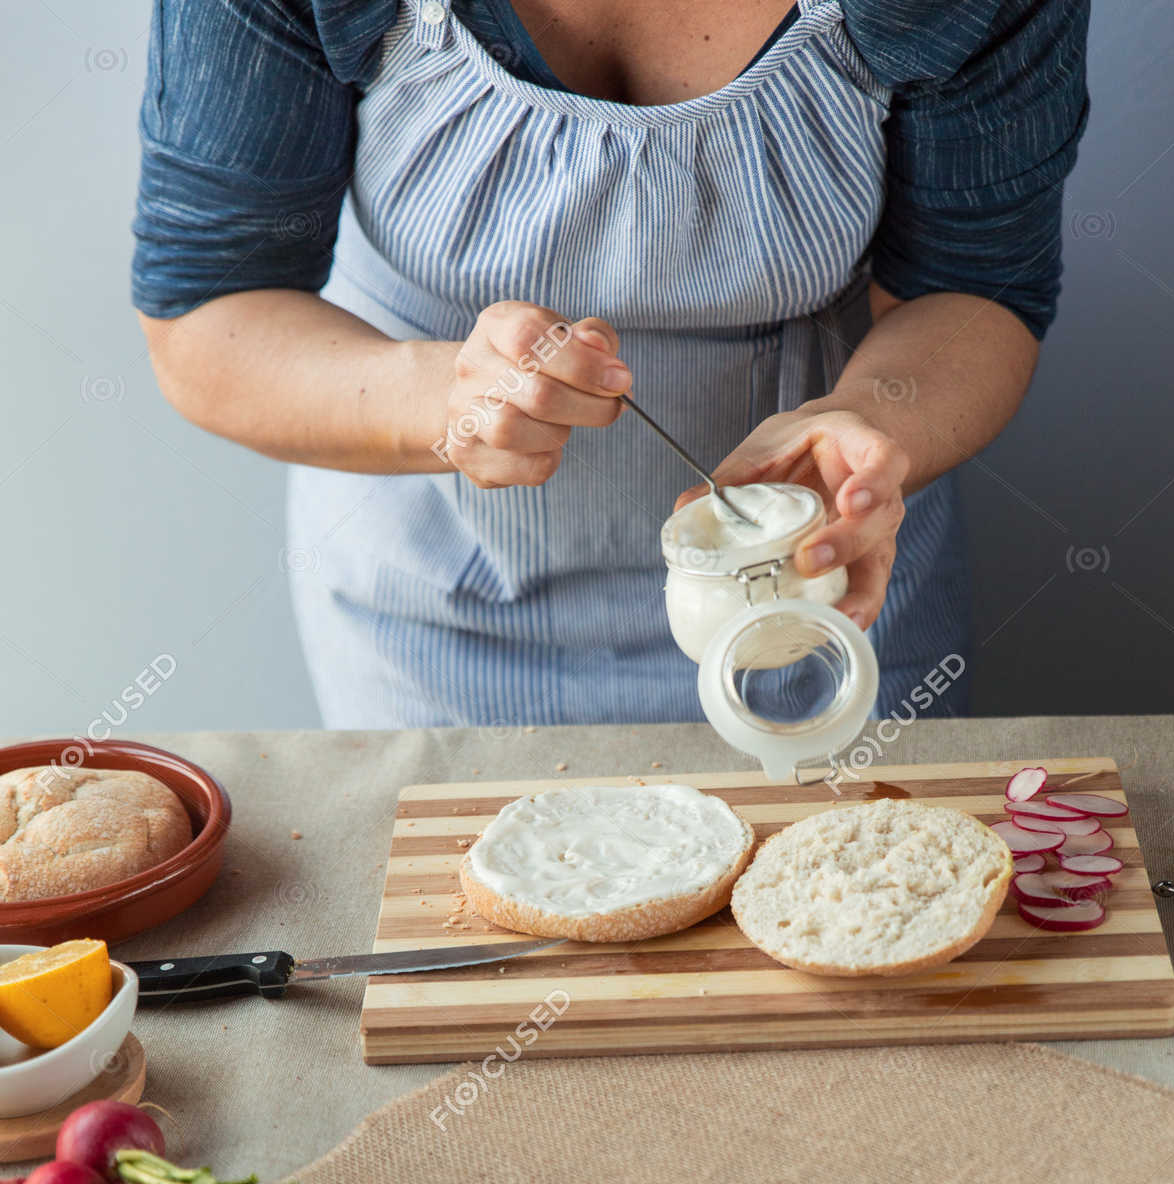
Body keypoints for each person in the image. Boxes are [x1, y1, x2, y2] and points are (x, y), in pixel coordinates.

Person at [133, 0, 1089, 729]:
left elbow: (975, 289)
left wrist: (879, 421)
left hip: (829, 592)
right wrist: (442, 399)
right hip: (439, 629)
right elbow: (210, 316)